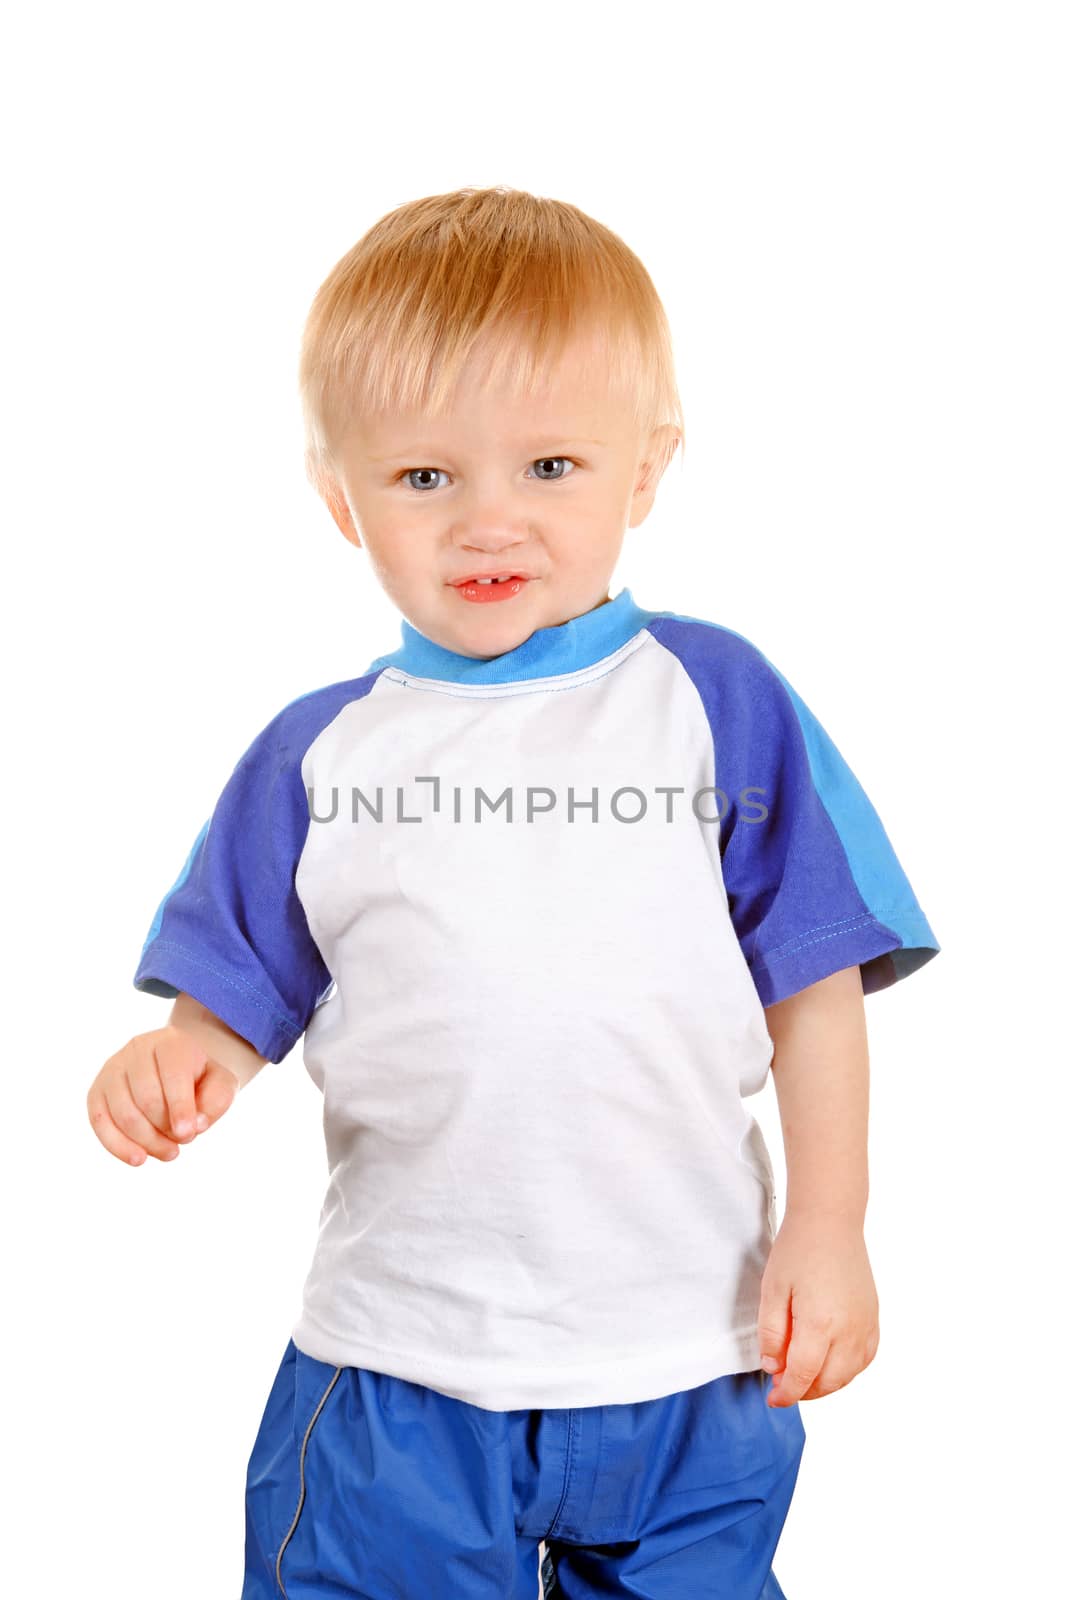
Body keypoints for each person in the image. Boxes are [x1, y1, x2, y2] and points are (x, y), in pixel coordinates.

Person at [87, 186, 941, 1599]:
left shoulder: (713, 700)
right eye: (426, 477)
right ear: (338, 495)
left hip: (690, 1354)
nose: (493, 522)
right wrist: (184, 1055)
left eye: (551, 466)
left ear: (646, 469)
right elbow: (240, 981)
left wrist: (831, 1229)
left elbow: (816, 980)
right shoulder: (320, 752)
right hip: (401, 1362)